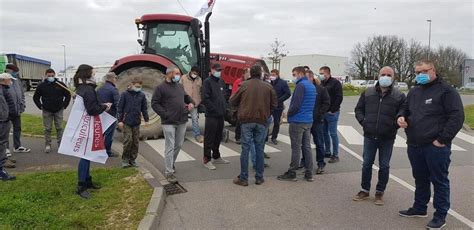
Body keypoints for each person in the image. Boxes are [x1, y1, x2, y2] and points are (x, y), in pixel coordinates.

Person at [397, 60, 464, 229]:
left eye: (424, 71)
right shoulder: (414, 91)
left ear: (433, 70)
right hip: (414, 144)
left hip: (435, 146)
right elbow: (404, 108)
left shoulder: (447, 91)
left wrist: (442, 140)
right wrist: (401, 117)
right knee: (420, 178)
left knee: (439, 180)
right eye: (417, 72)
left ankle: (440, 215)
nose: (420, 75)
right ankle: (419, 207)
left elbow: (456, 117)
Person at [352, 66, 406, 205]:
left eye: (389, 74)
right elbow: (359, 109)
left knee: (384, 166)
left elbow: (403, 111)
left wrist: (394, 125)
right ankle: (364, 189)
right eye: (383, 74)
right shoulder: (368, 92)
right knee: (366, 164)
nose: (386, 77)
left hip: (387, 137)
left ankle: (380, 193)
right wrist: (364, 122)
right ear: (378, 75)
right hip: (370, 135)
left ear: (393, 77)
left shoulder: (399, 96)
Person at [230, 65, 277, 186]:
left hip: (246, 120)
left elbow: (232, 101)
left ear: (251, 74)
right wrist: (267, 113)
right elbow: (274, 104)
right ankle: (259, 177)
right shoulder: (268, 86)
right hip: (262, 120)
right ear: (261, 74)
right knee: (260, 148)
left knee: (245, 148)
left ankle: (244, 178)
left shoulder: (244, 85)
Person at [74, 64, 112, 199]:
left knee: (88, 154)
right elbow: (92, 109)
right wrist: (104, 106)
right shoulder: (88, 90)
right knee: (85, 155)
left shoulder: (81, 88)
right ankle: (81, 185)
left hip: (85, 125)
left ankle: (87, 180)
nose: (94, 75)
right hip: (88, 125)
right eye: (93, 73)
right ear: (87, 74)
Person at [152, 66, 194, 183]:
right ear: (169, 74)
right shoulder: (160, 88)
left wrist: (191, 102)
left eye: (179, 74)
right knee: (170, 146)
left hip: (182, 120)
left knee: (179, 144)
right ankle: (169, 172)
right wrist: (165, 114)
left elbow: (185, 97)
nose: (178, 76)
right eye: (176, 73)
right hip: (169, 122)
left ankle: (171, 163)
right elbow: (155, 103)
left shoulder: (179, 86)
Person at [277, 66, 316, 182]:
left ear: (300, 73)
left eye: (294, 74)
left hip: (298, 120)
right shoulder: (311, 85)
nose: (293, 77)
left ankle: (292, 171)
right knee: (307, 147)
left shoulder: (301, 86)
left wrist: (288, 114)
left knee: (296, 147)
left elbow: (296, 104)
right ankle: (309, 172)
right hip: (308, 120)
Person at [33, 68, 71, 153]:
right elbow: (36, 97)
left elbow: (68, 95)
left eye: (52, 76)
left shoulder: (60, 84)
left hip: (58, 109)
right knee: (47, 128)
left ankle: (61, 144)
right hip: (47, 110)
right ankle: (47, 144)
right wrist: (40, 106)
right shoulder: (41, 86)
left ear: (55, 75)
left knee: (59, 128)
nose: (51, 77)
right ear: (46, 76)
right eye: (49, 76)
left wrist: (64, 105)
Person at [300, 70, 331, 174]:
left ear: (311, 78)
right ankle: (304, 162)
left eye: (306, 77)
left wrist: (319, 113)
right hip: (305, 120)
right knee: (304, 143)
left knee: (319, 142)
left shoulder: (321, 89)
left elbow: (326, 103)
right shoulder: (302, 88)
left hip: (317, 120)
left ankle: (321, 164)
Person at [201, 63, 230, 170]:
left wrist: (224, 106)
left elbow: (225, 95)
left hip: (221, 114)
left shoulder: (221, 82)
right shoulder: (207, 82)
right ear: (212, 70)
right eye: (217, 70)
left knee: (218, 136)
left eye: (220, 70)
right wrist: (214, 109)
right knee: (209, 138)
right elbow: (205, 98)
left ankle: (216, 156)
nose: (219, 72)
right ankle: (207, 159)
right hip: (212, 115)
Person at [117, 77, 149, 168]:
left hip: (136, 121)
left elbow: (144, 108)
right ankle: (125, 159)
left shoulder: (141, 95)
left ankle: (133, 159)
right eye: (137, 86)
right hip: (126, 121)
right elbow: (119, 108)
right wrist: (120, 120)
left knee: (135, 142)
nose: (138, 88)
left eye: (140, 86)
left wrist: (146, 119)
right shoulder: (124, 94)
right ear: (131, 85)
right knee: (128, 140)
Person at [5, 64, 30, 157]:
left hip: (17, 110)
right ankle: (5, 148)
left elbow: (22, 94)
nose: (16, 74)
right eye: (15, 72)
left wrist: (22, 105)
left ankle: (17, 146)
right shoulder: (3, 81)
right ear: (9, 71)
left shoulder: (17, 81)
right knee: (5, 130)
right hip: (6, 111)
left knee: (17, 128)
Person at [319, 66, 343, 163]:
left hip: (332, 112)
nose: (320, 75)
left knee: (333, 134)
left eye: (322, 73)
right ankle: (327, 151)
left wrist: (333, 110)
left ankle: (335, 154)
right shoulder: (322, 83)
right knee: (324, 133)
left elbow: (339, 97)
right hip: (323, 112)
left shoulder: (335, 83)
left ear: (327, 73)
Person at [97, 72, 120, 157]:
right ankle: (107, 151)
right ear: (112, 79)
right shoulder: (113, 90)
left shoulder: (99, 89)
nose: (116, 80)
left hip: (101, 113)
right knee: (109, 134)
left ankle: (98, 149)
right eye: (115, 78)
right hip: (111, 114)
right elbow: (118, 103)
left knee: (101, 132)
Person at [180, 66, 204, 143]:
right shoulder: (183, 78)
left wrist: (199, 101)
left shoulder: (199, 79)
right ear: (190, 71)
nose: (195, 75)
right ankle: (181, 136)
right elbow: (179, 88)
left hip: (194, 103)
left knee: (195, 119)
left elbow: (200, 90)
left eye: (196, 74)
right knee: (182, 120)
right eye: (194, 73)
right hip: (184, 103)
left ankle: (197, 135)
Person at [0, 73, 17, 180]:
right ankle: (1, 170)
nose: (11, 81)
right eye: (10, 79)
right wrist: (5, 118)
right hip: (3, 121)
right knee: (1, 143)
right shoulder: (1, 90)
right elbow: (3, 107)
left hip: (6, 119)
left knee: (2, 143)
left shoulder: (5, 89)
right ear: (4, 80)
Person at [269, 69, 291, 145]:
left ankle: (274, 137)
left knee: (276, 122)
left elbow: (288, 93)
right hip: (268, 106)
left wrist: (279, 100)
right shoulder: (269, 83)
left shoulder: (282, 83)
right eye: (271, 74)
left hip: (278, 106)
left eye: (273, 75)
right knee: (266, 122)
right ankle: (265, 137)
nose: (272, 76)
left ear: (277, 75)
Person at [232, 68, 250, 144]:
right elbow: (235, 93)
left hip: (248, 104)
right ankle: (238, 136)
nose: (249, 75)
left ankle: (244, 136)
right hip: (240, 104)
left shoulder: (250, 82)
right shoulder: (238, 82)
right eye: (248, 73)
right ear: (244, 74)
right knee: (239, 121)